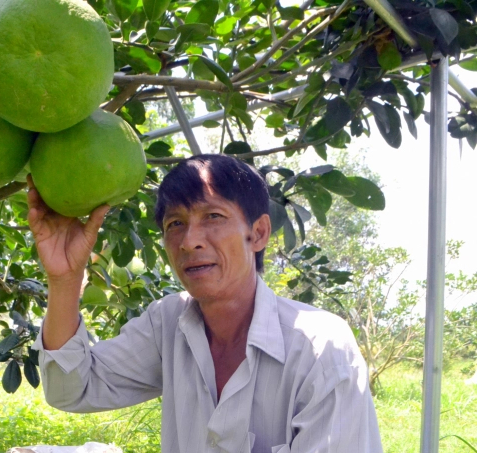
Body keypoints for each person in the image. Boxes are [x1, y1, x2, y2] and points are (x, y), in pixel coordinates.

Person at [28, 155, 383, 453]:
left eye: (213, 217)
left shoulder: (321, 348)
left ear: (258, 233)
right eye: (175, 224)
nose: (189, 241)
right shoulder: (167, 323)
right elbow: (71, 390)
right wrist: (65, 279)